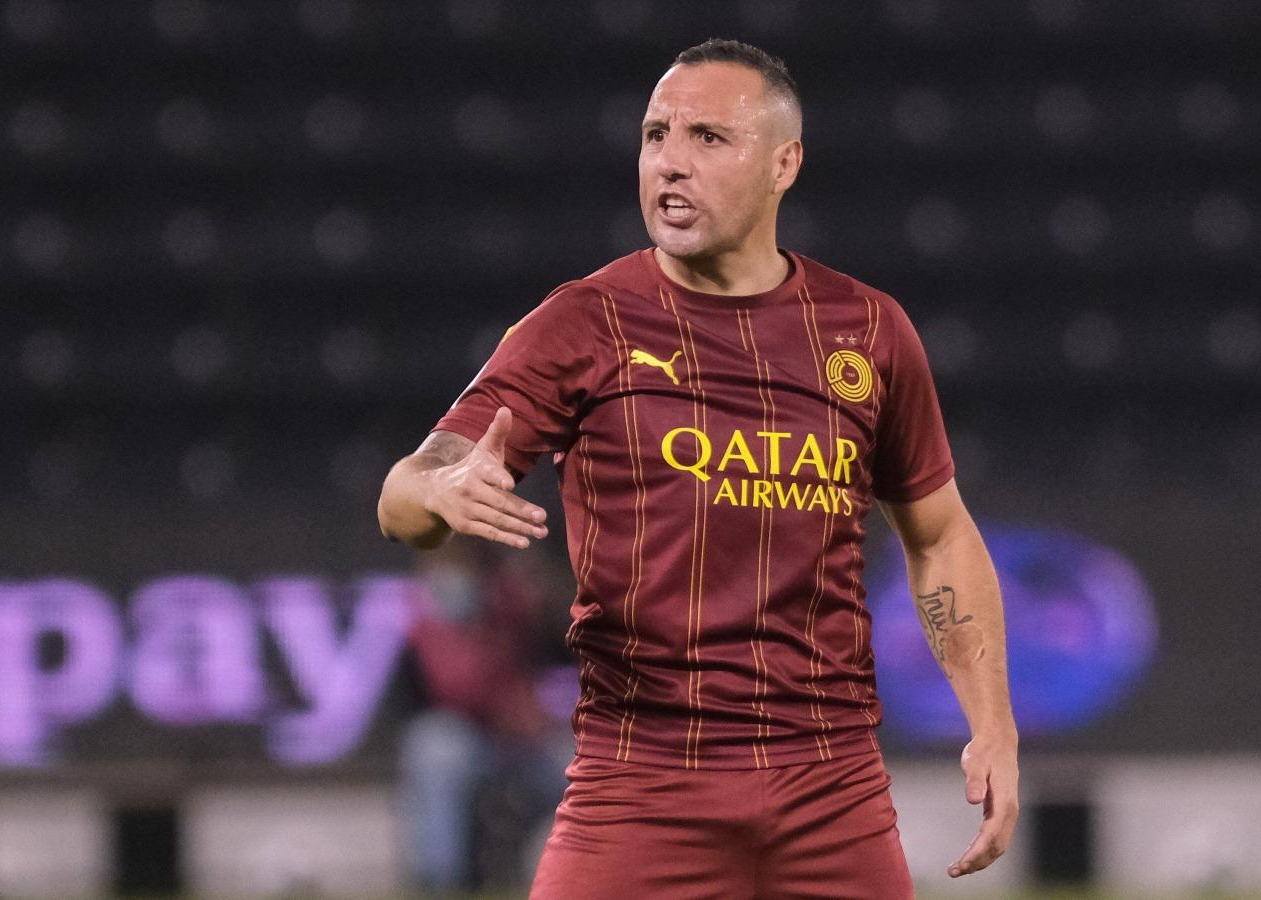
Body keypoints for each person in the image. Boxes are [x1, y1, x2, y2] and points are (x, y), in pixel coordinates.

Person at [378, 38, 1018, 899]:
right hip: (640, 782)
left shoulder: (868, 332)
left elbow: (939, 536)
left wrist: (993, 722)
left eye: (709, 138)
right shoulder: (584, 323)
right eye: (654, 136)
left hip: (829, 784)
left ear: (784, 163)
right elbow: (405, 494)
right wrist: (436, 494)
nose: (669, 164)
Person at [397, 538, 571, 894]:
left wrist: (528, 596)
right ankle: (441, 882)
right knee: (435, 748)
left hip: (524, 743)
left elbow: (562, 640)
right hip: (470, 737)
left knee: (578, 764)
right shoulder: (438, 603)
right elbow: (459, 686)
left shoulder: (511, 598)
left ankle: (570, 876)